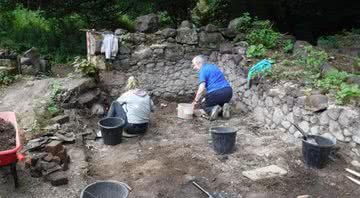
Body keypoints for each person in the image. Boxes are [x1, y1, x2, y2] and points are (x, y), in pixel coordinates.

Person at [192, 55, 232, 121]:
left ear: (199, 64)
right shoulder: (213, 66)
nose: (194, 67)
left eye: (194, 65)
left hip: (216, 93)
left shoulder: (203, 70)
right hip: (228, 92)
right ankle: (224, 107)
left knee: (204, 104)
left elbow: (201, 88)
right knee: (217, 102)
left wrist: (195, 101)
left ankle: (212, 110)